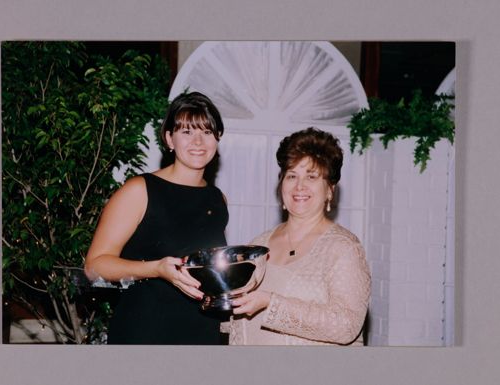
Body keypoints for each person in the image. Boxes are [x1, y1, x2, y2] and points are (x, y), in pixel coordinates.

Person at [84, 91, 229, 345]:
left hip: (203, 332)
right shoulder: (139, 190)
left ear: (217, 139)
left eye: (206, 132)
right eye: (186, 132)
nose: (198, 141)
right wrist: (156, 269)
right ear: (169, 139)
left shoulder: (218, 199)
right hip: (145, 330)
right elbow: (94, 266)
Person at [226, 127, 370, 345]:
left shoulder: (344, 249)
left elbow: (346, 326)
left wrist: (271, 303)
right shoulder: (258, 244)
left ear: (330, 190)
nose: (299, 186)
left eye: (311, 176)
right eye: (291, 175)